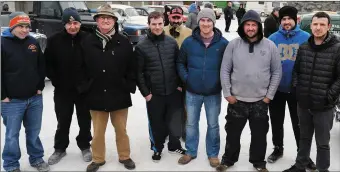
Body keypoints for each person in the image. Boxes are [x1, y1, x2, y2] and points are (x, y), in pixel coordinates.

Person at [217, 10, 282, 172]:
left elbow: (277, 72)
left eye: (254, 25)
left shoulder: (270, 45)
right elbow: (225, 70)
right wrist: (228, 93)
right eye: (248, 25)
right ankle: (228, 160)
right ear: (242, 26)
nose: (251, 28)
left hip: (260, 101)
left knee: (259, 135)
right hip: (237, 101)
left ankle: (259, 163)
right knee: (232, 133)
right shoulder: (233, 45)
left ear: (259, 27)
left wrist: (269, 96)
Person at [79, 4, 136, 172]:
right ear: (97, 20)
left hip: (119, 93)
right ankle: (98, 159)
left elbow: (131, 67)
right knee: (97, 132)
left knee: (121, 130)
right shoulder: (87, 42)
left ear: (114, 21)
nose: (105, 20)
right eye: (102, 17)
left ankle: (124, 156)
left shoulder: (123, 42)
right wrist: (85, 86)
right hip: (95, 94)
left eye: (109, 18)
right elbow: (79, 67)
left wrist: (128, 85)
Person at [283, 12, 340, 172]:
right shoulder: (304, 47)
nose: (318, 28)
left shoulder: (337, 49)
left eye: (322, 24)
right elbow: (296, 72)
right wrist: (298, 90)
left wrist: (329, 96)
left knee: (322, 142)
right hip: (304, 103)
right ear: (311, 26)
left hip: (324, 107)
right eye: (315, 24)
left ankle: (323, 169)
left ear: (328, 27)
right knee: (304, 138)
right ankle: (300, 166)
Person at [177, 8, 229, 168]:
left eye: (209, 20)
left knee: (213, 124)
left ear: (213, 22)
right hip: (192, 92)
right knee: (191, 123)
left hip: (213, 93)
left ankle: (213, 154)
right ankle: (190, 151)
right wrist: (187, 79)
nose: (205, 23)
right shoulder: (189, 42)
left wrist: (220, 82)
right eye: (202, 20)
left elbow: (228, 67)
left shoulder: (223, 43)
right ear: (198, 22)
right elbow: (180, 63)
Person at [267, 6, 316, 170]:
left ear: (296, 20)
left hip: (298, 90)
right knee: (276, 122)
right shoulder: (273, 38)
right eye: (283, 19)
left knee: (300, 124)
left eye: (289, 18)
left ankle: (303, 155)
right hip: (277, 89)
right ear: (280, 20)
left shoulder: (306, 38)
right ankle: (278, 148)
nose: (286, 22)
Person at [1, 12, 49, 172]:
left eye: (27, 26)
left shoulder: (33, 42)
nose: (24, 30)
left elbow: (41, 66)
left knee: (34, 132)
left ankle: (36, 158)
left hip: (34, 98)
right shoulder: (2, 44)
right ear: (12, 26)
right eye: (20, 26)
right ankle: (11, 164)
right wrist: (3, 95)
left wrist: (39, 87)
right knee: (12, 135)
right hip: (12, 100)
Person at [136, 11, 187, 162]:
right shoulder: (141, 46)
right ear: (149, 25)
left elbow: (178, 65)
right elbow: (138, 73)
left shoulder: (171, 42)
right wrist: (146, 93)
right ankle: (157, 148)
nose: (157, 27)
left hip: (173, 91)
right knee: (156, 122)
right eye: (154, 24)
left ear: (163, 23)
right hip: (155, 93)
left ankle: (174, 144)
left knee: (175, 120)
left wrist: (179, 86)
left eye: (159, 24)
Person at [45, 8, 92, 165]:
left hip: (84, 90)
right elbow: (48, 64)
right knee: (63, 120)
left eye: (76, 23)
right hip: (63, 90)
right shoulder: (54, 40)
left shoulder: (88, 38)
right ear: (64, 24)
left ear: (80, 23)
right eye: (69, 23)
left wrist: (88, 83)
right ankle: (60, 148)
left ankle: (85, 145)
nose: (73, 26)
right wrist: (57, 81)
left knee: (84, 120)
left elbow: (94, 64)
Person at [164, 6, 192, 141]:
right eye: (173, 17)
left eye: (178, 17)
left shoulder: (189, 32)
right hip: (166, 75)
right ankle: (167, 130)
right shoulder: (162, 31)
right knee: (169, 105)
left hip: (184, 74)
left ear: (182, 17)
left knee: (185, 106)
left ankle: (184, 130)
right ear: (169, 17)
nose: (175, 20)